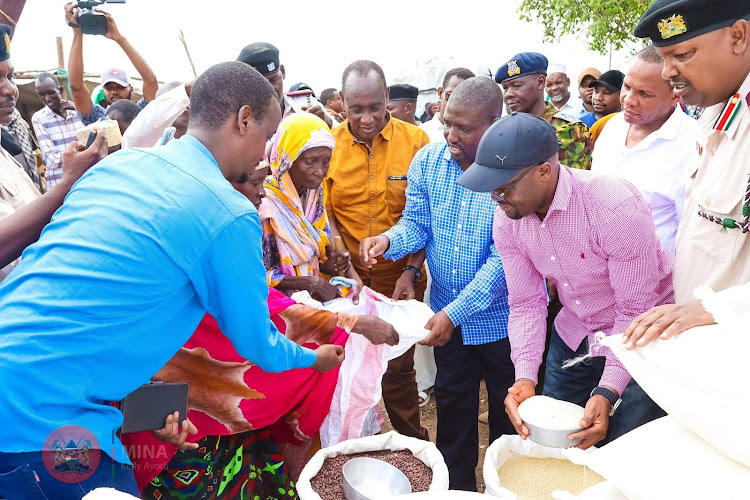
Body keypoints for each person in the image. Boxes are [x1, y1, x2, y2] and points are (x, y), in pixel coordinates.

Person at [0, 61, 345, 499]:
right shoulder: (227, 211)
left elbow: (90, 306)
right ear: (243, 120)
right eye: (266, 136)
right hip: (44, 428)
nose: (265, 153)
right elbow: (257, 343)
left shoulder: (117, 168)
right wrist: (313, 360)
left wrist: (144, 406)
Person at [123, 161, 398, 498]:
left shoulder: (193, 231)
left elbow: (259, 297)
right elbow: (255, 315)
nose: (262, 195)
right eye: (254, 184)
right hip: (169, 412)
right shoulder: (206, 241)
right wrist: (345, 325)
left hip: (188, 411)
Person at [458, 112, 670, 449]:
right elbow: (526, 304)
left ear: (544, 170)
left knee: (622, 447)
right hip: (575, 330)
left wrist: (607, 390)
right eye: (490, 189)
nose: (495, 199)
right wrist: (525, 376)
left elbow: (634, 313)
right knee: (555, 441)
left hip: (642, 338)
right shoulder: (508, 219)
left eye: (504, 187)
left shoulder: (614, 207)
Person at [360, 77, 515, 491]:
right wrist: (389, 241)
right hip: (447, 321)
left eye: (463, 128)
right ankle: (457, 490)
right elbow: (418, 225)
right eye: (447, 123)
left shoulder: (510, 169)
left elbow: (504, 262)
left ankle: (503, 490)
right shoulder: (429, 161)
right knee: (454, 413)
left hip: (504, 323)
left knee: (508, 420)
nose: (450, 135)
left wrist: (454, 313)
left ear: (493, 124)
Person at [623, 0, 750, 347]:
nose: (667, 72)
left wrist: (715, 308)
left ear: (738, 37)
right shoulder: (718, 110)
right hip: (705, 351)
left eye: (682, 54)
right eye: (664, 57)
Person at [326, 60, 429, 441]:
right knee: (346, 368)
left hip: (400, 279)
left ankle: (411, 449)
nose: (367, 118)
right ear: (341, 103)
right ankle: (354, 449)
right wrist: (343, 264)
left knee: (399, 370)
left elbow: (425, 216)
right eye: (356, 109)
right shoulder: (329, 146)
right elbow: (326, 212)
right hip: (344, 283)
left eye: (375, 107)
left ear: (387, 97)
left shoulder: (416, 143)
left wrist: (412, 271)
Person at [592, 45, 700, 255]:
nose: (629, 100)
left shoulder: (693, 144)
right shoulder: (611, 128)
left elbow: (691, 237)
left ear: (675, 96)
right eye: (627, 87)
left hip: (657, 280)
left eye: (645, 94)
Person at [260, 113, 357, 302]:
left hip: (309, 303)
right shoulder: (265, 204)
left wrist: (334, 264)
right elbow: (258, 274)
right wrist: (308, 282)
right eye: (310, 161)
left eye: (326, 161)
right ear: (287, 159)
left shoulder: (314, 199)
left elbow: (312, 257)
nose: (320, 171)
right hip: (277, 307)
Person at [64, 3, 158, 126]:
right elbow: (76, 87)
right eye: (109, 88)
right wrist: (77, 34)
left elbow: (151, 81)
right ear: (103, 91)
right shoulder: (97, 118)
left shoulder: (141, 113)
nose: (114, 92)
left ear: (131, 88)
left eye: (120, 87)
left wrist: (119, 39)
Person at [496, 52, 592, 170]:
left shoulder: (568, 130)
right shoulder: (504, 130)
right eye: (505, 88)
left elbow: (572, 184)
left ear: (541, 82)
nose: (508, 95)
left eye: (517, 86)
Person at [237, 42, 333, 127]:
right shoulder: (244, 122)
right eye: (260, 84)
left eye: (273, 80)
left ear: (283, 72)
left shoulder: (306, 102)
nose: (269, 89)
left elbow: (340, 134)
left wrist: (327, 122)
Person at [31, 72, 85, 188]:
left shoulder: (78, 112)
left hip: (85, 181)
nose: (47, 99)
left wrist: (78, 110)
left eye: (51, 93)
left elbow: (96, 141)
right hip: (59, 186)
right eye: (42, 95)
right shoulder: (39, 118)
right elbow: (52, 160)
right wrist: (86, 153)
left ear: (60, 90)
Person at [421, 67, 475, 143]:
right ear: (440, 93)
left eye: (464, 99)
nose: (456, 104)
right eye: (450, 96)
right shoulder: (422, 134)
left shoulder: (475, 136)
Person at [2, 108, 42, 191]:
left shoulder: (21, 124)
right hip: (13, 191)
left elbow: (35, 154)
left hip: (33, 184)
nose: (10, 94)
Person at [583, 70, 625, 136]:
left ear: (622, 95)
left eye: (607, 93)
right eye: (596, 91)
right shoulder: (579, 125)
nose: (598, 97)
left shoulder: (628, 127)